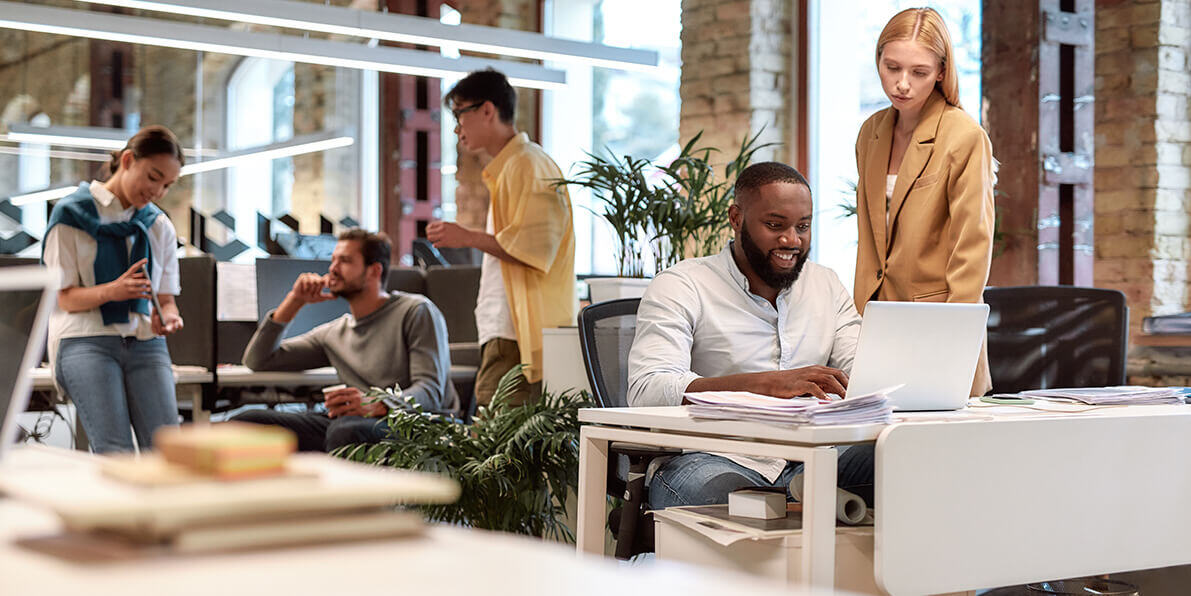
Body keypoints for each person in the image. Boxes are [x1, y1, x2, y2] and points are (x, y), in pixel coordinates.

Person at [628, 161, 873, 509]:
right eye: (775, 225)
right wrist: (765, 385)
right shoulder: (683, 284)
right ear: (736, 218)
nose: (792, 240)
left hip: (818, 453)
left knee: (902, 461)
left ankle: (801, 502)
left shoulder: (825, 284)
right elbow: (647, 389)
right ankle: (804, 503)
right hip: (719, 456)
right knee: (709, 493)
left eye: (803, 226)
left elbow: (861, 370)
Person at [854, 7, 996, 396]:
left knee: (938, 452)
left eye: (918, 72)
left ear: (940, 71)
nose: (901, 84)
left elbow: (972, 249)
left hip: (941, 324)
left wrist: (954, 341)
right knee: (876, 452)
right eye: (891, 67)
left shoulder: (963, 135)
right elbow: (869, 236)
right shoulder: (871, 133)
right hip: (880, 323)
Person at [427, 68, 575, 407]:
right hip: (508, 330)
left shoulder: (528, 165)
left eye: (459, 114)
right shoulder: (512, 166)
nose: (456, 128)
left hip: (517, 334)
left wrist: (467, 237)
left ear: (487, 111)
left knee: (494, 446)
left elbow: (535, 249)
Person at [232, 229, 458, 452]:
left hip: (415, 426)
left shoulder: (415, 311)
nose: (332, 269)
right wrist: (294, 301)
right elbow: (258, 360)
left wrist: (377, 403)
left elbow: (430, 393)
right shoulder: (335, 332)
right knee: (246, 423)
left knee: (345, 431)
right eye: (333, 260)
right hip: (352, 424)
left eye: (345, 261)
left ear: (374, 271)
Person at [43, 125, 186, 454]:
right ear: (127, 160)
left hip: (146, 342)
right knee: (115, 451)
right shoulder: (71, 215)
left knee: (167, 451)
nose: (158, 191)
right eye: (153, 177)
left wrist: (169, 317)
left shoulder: (158, 225)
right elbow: (62, 297)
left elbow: (166, 299)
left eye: (167, 184)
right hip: (86, 340)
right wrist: (112, 291)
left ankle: (164, 508)